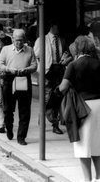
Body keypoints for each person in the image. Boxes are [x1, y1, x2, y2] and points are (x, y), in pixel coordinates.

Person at [59, 36, 100, 182]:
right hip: (99, 105)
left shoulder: (74, 65)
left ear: (78, 48)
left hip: (83, 107)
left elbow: (63, 87)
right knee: (97, 144)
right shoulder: (98, 63)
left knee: (83, 146)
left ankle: (87, 180)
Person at [0, 29, 37, 145]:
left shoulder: (29, 50)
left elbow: (34, 65)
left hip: (24, 79)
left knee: (25, 110)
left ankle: (21, 137)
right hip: (10, 79)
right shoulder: (6, 49)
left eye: (21, 40)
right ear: (13, 39)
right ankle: (9, 128)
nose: (18, 43)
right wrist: (9, 69)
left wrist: (26, 69)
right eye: (16, 40)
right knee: (8, 109)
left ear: (24, 40)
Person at [34, 22, 71, 135]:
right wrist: (41, 70)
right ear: (51, 27)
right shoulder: (42, 39)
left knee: (56, 98)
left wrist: (65, 61)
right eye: (56, 27)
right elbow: (35, 56)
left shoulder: (62, 40)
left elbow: (66, 53)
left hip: (59, 70)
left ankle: (55, 124)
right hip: (47, 71)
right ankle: (42, 121)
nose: (58, 29)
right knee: (46, 98)